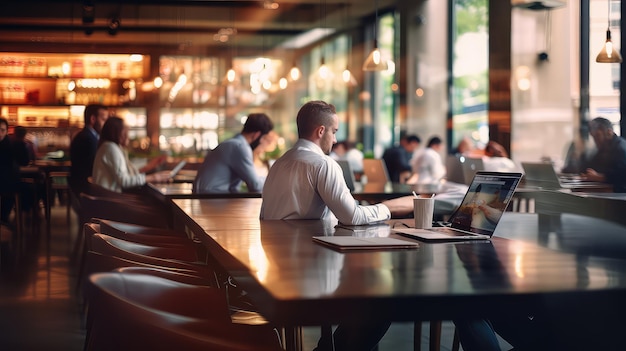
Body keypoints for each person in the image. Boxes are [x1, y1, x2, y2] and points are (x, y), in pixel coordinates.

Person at [260, 100, 414, 350]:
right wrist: (396, 206)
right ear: (320, 131)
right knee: (382, 299)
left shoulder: (279, 164)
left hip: (279, 271)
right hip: (310, 272)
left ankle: (328, 345)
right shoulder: (322, 164)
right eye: (334, 132)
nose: (334, 140)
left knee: (369, 296)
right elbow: (352, 216)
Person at [193, 113, 274, 194]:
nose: (262, 142)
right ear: (257, 135)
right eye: (263, 138)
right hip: (212, 200)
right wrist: (274, 179)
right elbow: (256, 186)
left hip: (208, 197)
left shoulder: (232, 143)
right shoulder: (240, 147)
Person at [92, 116, 170, 193]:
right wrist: (154, 177)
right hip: (109, 201)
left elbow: (128, 173)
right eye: (125, 130)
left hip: (108, 198)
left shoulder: (111, 147)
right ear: (117, 132)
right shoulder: (111, 148)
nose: (128, 135)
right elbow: (124, 181)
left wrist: (152, 168)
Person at [69, 104, 109, 195]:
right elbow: (94, 167)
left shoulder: (87, 136)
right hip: (86, 190)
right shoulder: (88, 139)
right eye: (103, 120)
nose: (106, 124)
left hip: (82, 187)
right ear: (93, 119)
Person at [580, 117, 626, 192]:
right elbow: (591, 167)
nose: (596, 141)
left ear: (609, 132)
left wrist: (600, 177)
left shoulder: (620, 148)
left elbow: (623, 175)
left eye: (598, 136)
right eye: (594, 137)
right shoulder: (604, 148)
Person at [0, 117, 19, 224]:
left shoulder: (10, 145)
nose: (0, 133)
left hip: (7, 182)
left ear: (7, 131)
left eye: (2, 130)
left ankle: (3, 219)